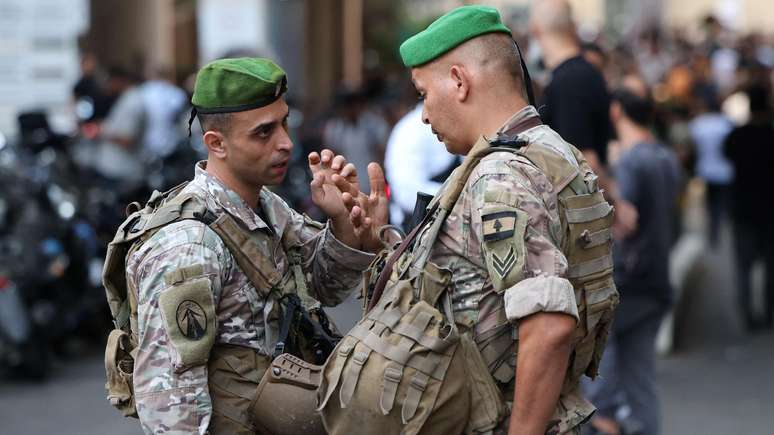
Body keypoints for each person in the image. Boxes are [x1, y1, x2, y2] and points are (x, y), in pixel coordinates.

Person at [319, 6, 618, 435]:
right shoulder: (550, 152)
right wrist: (384, 242)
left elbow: (548, 323)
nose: (423, 114)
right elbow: (470, 282)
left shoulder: (501, 176)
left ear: (459, 81)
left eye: (423, 93)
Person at [102, 57, 378, 434]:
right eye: (263, 133)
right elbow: (171, 401)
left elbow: (324, 288)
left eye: (284, 123)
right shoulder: (187, 245)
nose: (286, 143)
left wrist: (344, 224)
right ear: (216, 143)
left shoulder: (267, 206)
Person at [584, 76, 682, 435]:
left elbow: (622, 219)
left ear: (616, 112)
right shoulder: (665, 157)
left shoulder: (632, 164)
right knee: (642, 382)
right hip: (657, 278)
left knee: (600, 381)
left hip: (627, 280)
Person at [529, 0, 637, 240]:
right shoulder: (584, 73)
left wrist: (616, 205)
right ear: (573, 27)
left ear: (535, 29)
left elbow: (585, 158)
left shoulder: (569, 81)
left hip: (582, 227)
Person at [724, 84, 774, 331]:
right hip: (769, 210)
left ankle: (747, 316)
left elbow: (727, 158)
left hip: (742, 208)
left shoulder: (736, 136)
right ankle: (769, 314)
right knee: (770, 267)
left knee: (743, 268)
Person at [384, 102, 458, 229]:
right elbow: (406, 192)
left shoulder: (454, 121)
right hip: (417, 227)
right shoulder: (410, 130)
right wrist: (460, 198)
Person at [688, 87, 734, 247]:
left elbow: (692, 149)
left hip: (705, 170)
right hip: (725, 171)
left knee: (710, 204)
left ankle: (713, 234)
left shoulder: (698, 124)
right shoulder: (727, 123)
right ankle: (721, 231)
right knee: (722, 204)